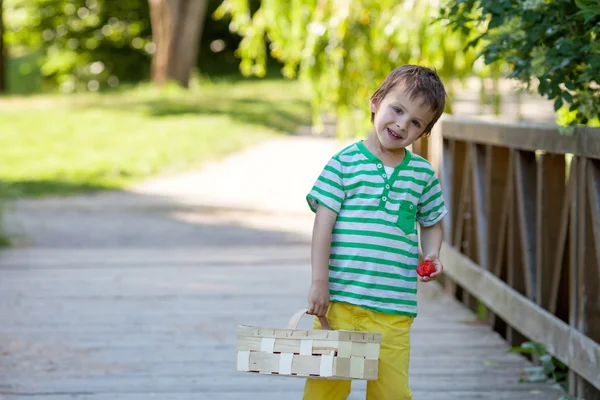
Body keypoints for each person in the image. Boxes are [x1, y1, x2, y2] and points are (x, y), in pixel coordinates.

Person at [303, 64, 448, 400]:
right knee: (325, 390)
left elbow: (432, 222)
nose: (401, 124)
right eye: (397, 110)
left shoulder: (423, 175)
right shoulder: (343, 164)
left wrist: (432, 254)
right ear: (375, 101)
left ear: (424, 134)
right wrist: (319, 283)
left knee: (392, 392)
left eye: (416, 123)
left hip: (393, 308)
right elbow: (322, 227)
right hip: (338, 304)